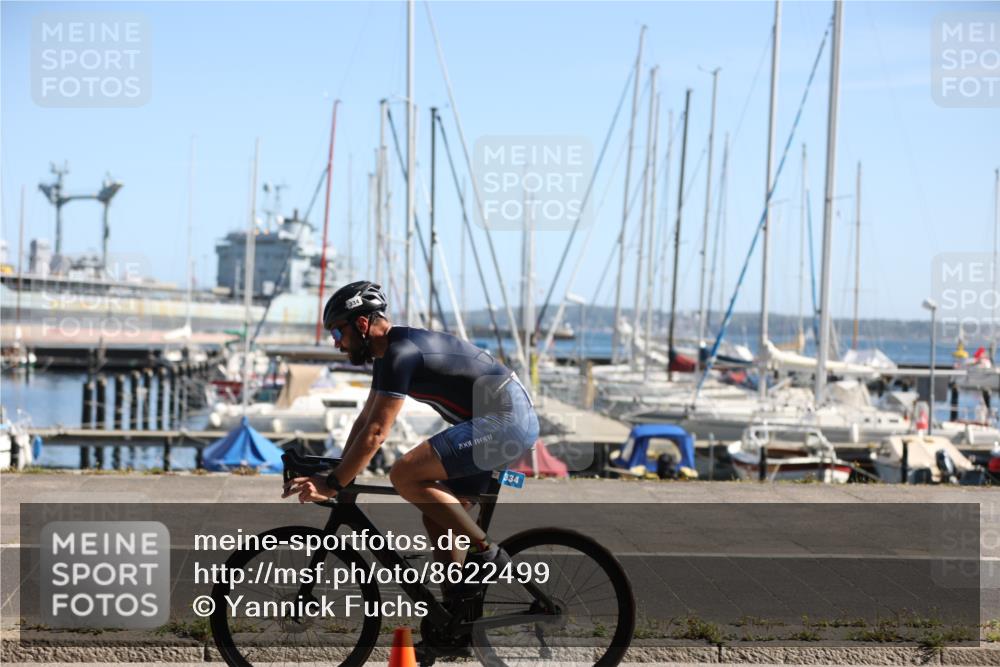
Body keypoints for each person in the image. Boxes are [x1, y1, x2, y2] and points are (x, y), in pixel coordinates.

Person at [282, 280, 539, 594]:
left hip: (508, 420)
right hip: (496, 422)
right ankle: (454, 620)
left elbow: (377, 433)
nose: (337, 343)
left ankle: (487, 552)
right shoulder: (386, 354)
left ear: (361, 324)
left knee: (404, 474)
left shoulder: (400, 352)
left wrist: (333, 483)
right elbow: (365, 421)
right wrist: (335, 470)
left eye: (337, 332)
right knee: (437, 518)